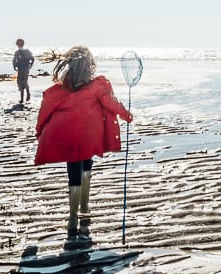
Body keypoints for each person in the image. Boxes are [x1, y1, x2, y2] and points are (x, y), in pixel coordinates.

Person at [34, 46, 133, 249]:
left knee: (73, 170)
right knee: (86, 164)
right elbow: (112, 104)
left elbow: (46, 106)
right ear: (89, 65)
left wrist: (40, 130)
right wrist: (127, 115)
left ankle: (72, 218)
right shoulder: (98, 84)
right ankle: (85, 208)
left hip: (67, 133)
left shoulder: (62, 88)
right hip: (89, 135)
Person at [13, 38, 35, 104]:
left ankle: (22, 99)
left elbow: (14, 60)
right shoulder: (28, 51)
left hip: (20, 69)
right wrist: (30, 65)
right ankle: (28, 93)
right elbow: (32, 58)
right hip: (26, 69)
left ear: (17, 44)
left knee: (20, 82)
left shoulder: (17, 52)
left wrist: (14, 67)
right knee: (25, 81)